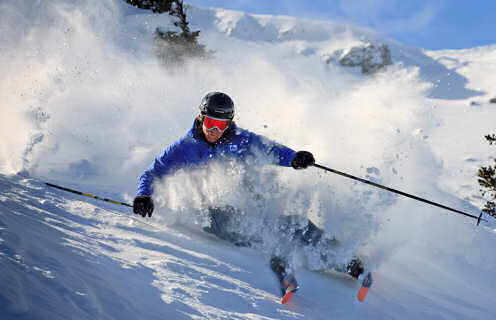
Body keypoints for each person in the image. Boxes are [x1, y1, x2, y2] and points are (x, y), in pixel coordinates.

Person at [132, 91, 366, 300]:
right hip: (210, 212)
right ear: (202, 118)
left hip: (244, 202)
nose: (214, 130)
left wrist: (294, 158)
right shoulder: (184, 147)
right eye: (211, 122)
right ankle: (276, 257)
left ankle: (346, 261)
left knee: (295, 225)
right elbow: (154, 172)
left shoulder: (240, 140)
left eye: (221, 125)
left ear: (229, 124)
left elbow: (270, 150)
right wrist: (144, 196)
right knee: (232, 224)